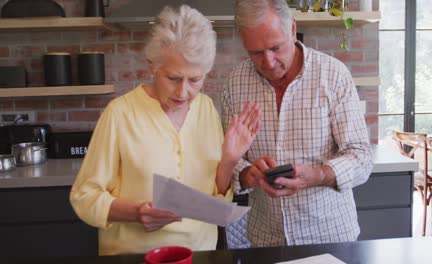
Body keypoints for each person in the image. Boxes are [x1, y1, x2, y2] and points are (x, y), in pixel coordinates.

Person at [70, 5, 260, 255]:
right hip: (135, 256)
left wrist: (229, 161)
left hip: (200, 255)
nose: (183, 92)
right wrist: (136, 213)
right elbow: (84, 196)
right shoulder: (120, 114)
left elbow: (215, 203)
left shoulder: (206, 110)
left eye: (194, 80)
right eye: (173, 78)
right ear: (152, 67)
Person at [222, 0, 373, 247]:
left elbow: (361, 158)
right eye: (256, 53)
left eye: (275, 48)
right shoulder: (235, 85)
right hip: (266, 241)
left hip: (331, 236)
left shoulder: (333, 75)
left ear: (292, 30)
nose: (268, 62)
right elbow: (230, 159)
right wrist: (249, 174)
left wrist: (319, 175)